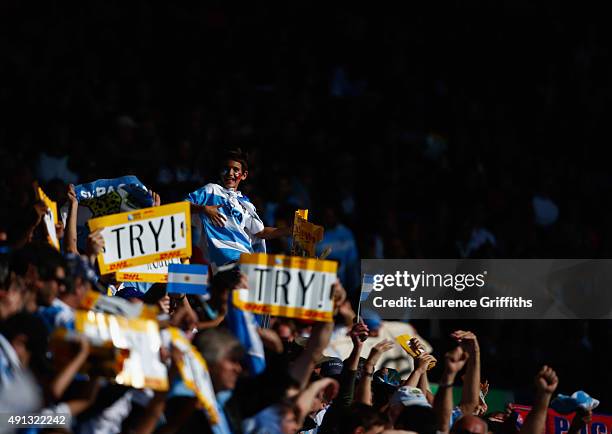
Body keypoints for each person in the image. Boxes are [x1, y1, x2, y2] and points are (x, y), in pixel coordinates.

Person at [186, 149, 291, 269]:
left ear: (244, 175)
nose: (230, 173)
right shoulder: (210, 190)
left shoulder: (245, 203)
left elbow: (261, 232)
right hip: (225, 261)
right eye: (226, 168)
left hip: (245, 259)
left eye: (235, 170)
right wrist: (204, 209)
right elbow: (181, 207)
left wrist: (290, 231)